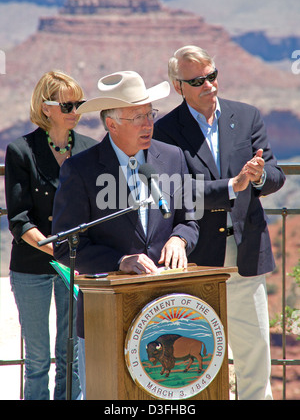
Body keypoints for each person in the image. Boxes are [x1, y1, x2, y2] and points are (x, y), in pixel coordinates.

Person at [51, 70, 199, 398]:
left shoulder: (172, 158)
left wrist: (180, 239)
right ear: (112, 124)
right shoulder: (81, 170)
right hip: (105, 315)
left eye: (150, 114)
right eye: (137, 117)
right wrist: (120, 260)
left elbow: (188, 220)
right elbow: (64, 244)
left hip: (165, 314)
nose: (148, 124)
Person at [153, 45, 286, 400]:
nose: (209, 85)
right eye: (197, 80)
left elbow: (275, 174)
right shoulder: (165, 130)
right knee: (198, 352)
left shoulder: (246, 116)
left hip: (245, 252)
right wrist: (231, 186)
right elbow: (176, 190)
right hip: (195, 257)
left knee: (255, 351)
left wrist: (258, 177)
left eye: (212, 75)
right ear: (178, 86)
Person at [5, 70, 98, 400]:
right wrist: (56, 251)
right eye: (67, 104)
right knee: (38, 360)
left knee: (71, 357)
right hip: (33, 268)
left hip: (74, 269)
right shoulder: (22, 151)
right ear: (46, 108)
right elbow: (19, 220)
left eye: (79, 104)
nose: (75, 111)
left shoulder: (90, 149)